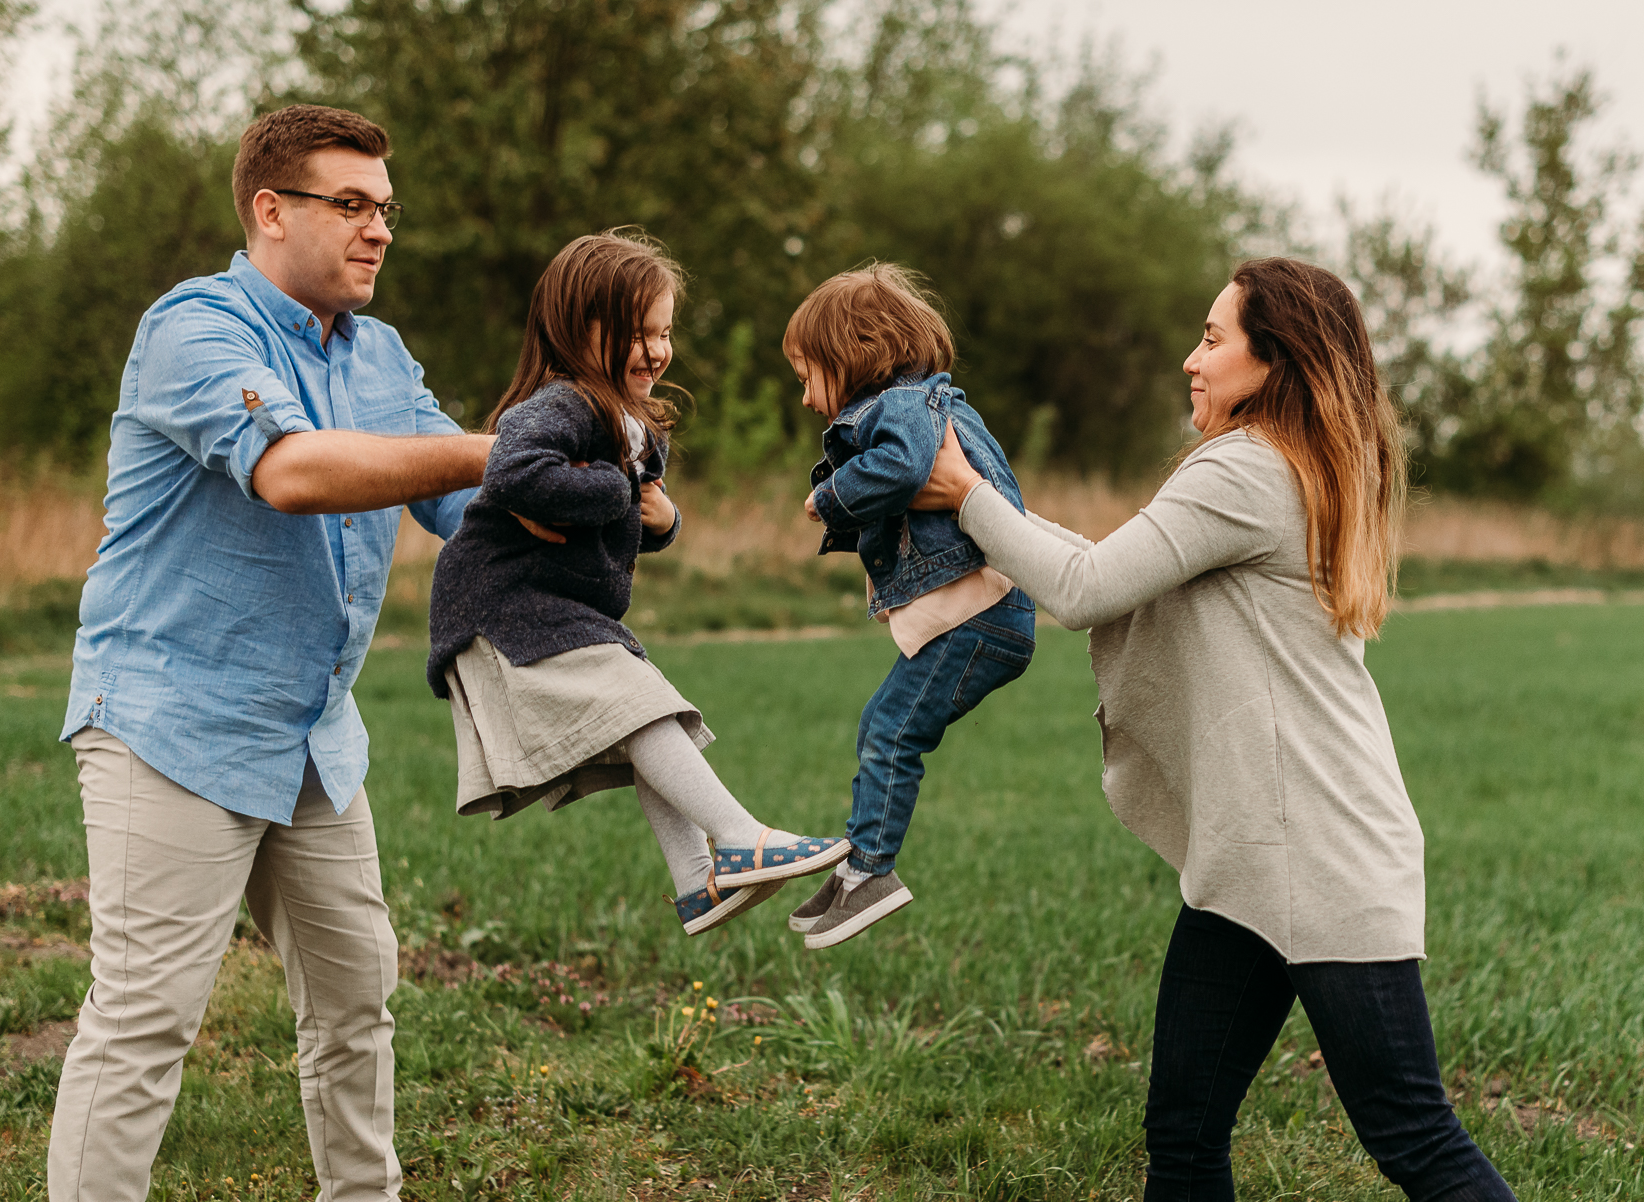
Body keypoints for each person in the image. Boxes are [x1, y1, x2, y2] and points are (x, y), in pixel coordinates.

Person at [913, 257, 1514, 1201]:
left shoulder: (1245, 468)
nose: (1192, 360)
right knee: (1185, 1134)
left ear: (1271, 362)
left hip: (1322, 859)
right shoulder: (1287, 465)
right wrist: (993, 517)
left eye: (1212, 338)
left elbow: (1083, 590)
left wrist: (967, 497)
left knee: (1413, 1135)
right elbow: (1113, 567)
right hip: (1256, 861)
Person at [52, 105, 492, 1202]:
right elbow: (294, 471)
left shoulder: (381, 354)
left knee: (356, 1003)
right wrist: (513, 442)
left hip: (311, 738)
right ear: (269, 209)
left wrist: (604, 476)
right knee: (145, 1019)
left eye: (386, 209)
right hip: (171, 722)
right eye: (350, 204)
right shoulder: (194, 327)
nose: (378, 230)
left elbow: (463, 499)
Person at [424, 230, 849, 937]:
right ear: (577, 331)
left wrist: (664, 519)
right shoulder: (561, 406)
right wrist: (619, 490)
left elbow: (631, 509)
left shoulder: (635, 424)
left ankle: (697, 883)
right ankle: (741, 838)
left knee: (649, 719)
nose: (656, 349)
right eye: (636, 333)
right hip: (504, 608)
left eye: (665, 332)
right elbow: (511, 471)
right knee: (647, 710)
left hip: (559, 611)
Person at [781, 264, 1035, 949]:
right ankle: (856, 868)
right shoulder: (936, 404)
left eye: (808, 376)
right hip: (983, 618)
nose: (806, 398)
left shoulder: (900, 409)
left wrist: (829, 499)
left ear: (851, 357)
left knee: (891, 732)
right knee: (882, 726)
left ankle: (870, 874)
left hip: (977, 618)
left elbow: (900, 468)